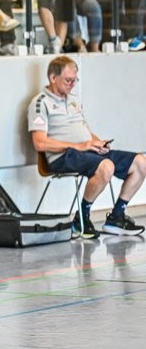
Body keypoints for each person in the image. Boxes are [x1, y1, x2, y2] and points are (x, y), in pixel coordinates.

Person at [27, 56, 146, 239]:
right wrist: (79, 146)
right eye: (68, 80)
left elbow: (84, 132)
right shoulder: (40, 103)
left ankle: (117, 216)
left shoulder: (74, 100)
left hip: (86, 151)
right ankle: (81, 218)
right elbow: (40, 143)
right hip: (63, 156)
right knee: (106, 167)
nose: (72, 84)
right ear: (52, 77)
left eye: (75, 80)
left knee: (140, 163)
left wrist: (97, 143)